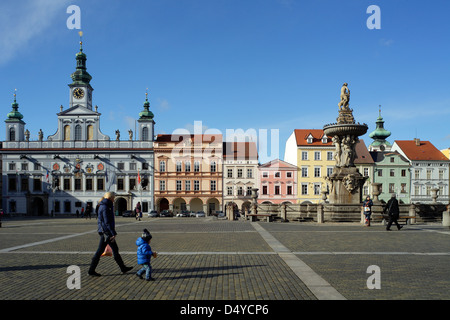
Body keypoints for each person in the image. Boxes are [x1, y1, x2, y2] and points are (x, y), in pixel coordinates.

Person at [88, 192, 133, 276]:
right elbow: (107, 221)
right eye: (113, 197)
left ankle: (123, 268)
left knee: (114, 249)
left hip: (105, 231)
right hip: (106, 232)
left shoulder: (106, 206)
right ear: (110, 198)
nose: (114, 199)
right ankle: (91, 270)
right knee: (100, 251)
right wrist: (113, 233)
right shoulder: (105, 207)